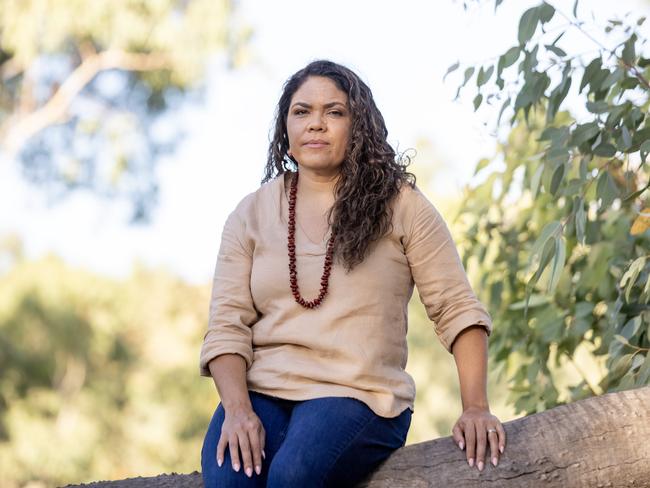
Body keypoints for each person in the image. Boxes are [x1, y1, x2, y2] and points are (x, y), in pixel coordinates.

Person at [199, 59, 506, 488]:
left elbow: (456, 308)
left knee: (293, 474)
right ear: (285, 130)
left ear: (358, 127)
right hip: (262, 391)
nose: (316, 124)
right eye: (302, 112)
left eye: (335, 112)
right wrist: (236, 410)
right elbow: (227, 325)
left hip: (360, 394)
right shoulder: (250, 213)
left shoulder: (402, 205)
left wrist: (475, 406)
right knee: (231, 477)